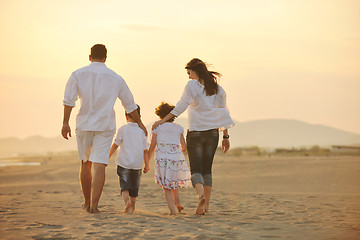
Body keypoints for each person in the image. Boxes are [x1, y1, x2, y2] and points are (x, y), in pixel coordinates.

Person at [61, 44, 147, 213]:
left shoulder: (78, 74)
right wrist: (140, 123)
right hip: (105, 126)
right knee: (99, 165)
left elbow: (69, 100)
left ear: (90, 57)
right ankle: (94, 206)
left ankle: (86, 203)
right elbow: (129, 105)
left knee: (85, 163)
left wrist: (65, 122)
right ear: (106, 58)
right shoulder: (116, 78)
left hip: (84, 125)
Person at [152, 58, 234, 215]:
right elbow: (224, 113)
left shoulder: (192, 86)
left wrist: (162, 121)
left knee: (196, 169)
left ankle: (201, 196)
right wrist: (226, 137)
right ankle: (206, 206)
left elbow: (181, 106)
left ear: (196, 71)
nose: (189, 77)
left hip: (196, 131)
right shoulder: (218, 89)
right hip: (212, 133)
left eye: (189, 73)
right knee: (207, 170)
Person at [148, 102, 191, 215]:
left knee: (166, 186)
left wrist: (146, 161)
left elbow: (152, 146)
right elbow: (184, 147)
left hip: (162, 159)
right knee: (173, 182)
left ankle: (172, 211)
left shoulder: (157, 127)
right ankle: (178, 203)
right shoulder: (179, 128)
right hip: (175, 159)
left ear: (160, 115)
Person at [109, 105, 149, 213]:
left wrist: (107, 156)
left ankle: (127, 203)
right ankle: (133, 207)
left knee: (125, 186)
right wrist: (147, 164)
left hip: (123, 163)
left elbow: (115, 145)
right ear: (139, 117)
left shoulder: (122, 129)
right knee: (134, 188)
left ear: (126, 116)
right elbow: (146, 150)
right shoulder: (142, 132)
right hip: (137, 165)